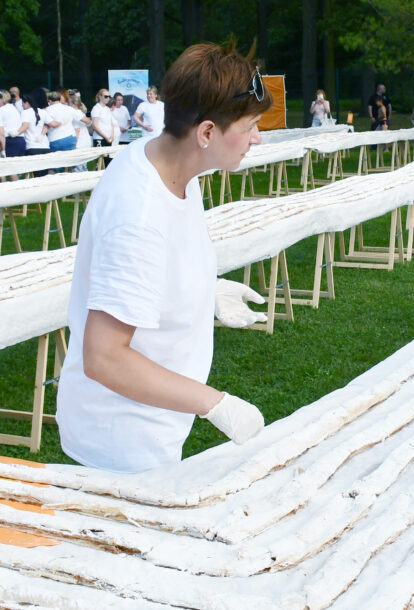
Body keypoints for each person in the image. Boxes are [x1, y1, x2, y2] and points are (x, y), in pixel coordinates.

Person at [56, 40, 273, 474]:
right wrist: (216, 404)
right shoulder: (139, 213)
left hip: (151, 424)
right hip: (122, 440)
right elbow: (105, 357)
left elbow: (156, 263)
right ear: (207, 133)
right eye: (249, 126)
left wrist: (201, 290)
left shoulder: (173, 166)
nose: (257, 138)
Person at [22, 88, 57, 173]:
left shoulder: (26, 112)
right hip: (44, 145)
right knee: (44, 171)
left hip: (32, 145)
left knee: (36, 172)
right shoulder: (44, 111)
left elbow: (25, 126)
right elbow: (51, 124)